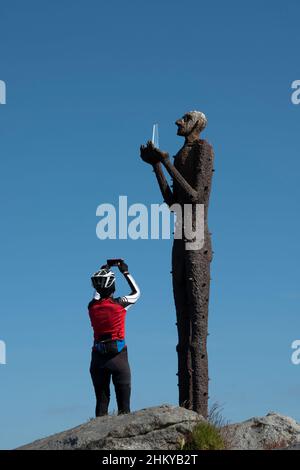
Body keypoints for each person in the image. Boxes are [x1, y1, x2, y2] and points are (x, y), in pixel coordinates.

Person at [88, 260, 140, 417]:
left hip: (98, 359)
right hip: (118, 358)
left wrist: (103, 270)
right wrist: (125, 271)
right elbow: (136, 293)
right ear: (113, 287)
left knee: (101, 405)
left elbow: (97, 296)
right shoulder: (119, 305)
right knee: (124, 408)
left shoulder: (92, 307)